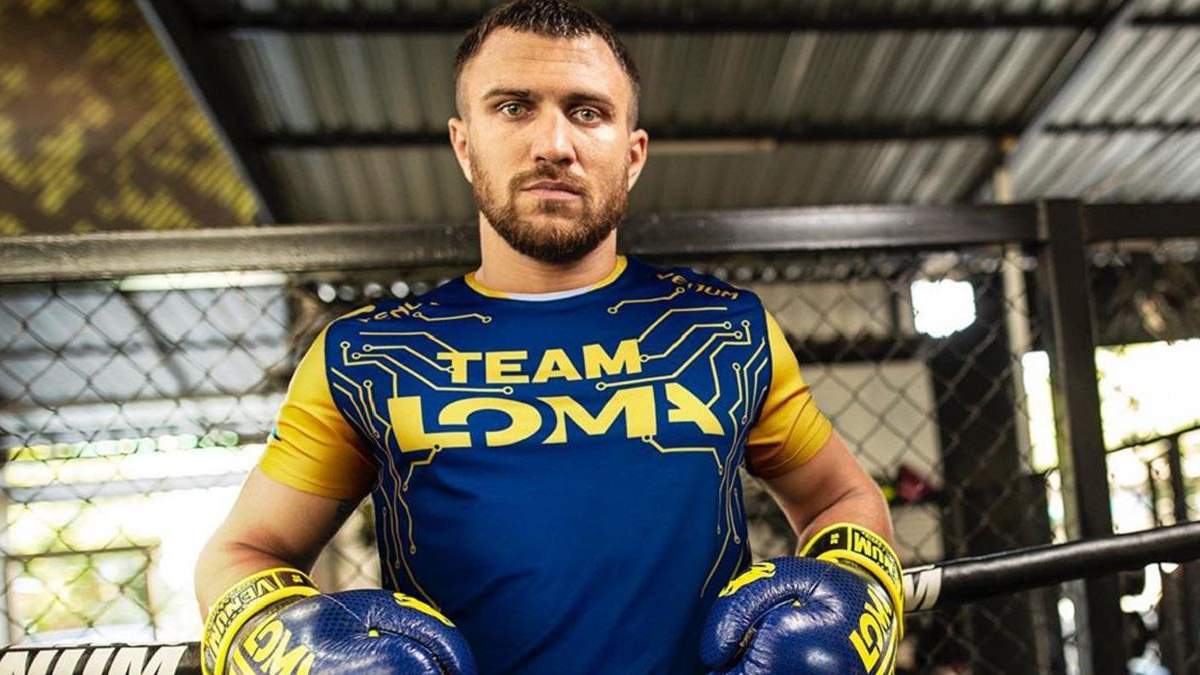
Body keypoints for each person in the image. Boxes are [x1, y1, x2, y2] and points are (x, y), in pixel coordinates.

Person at [196, 1, 903, 673]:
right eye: (514, 107)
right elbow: (243, 551)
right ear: (464, 144)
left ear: (633, 154)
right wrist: (289, 645)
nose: (554, 145)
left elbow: (842, 499)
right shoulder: (365, 357)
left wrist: (853, 601)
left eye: (587, 112)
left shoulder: (724, 330)